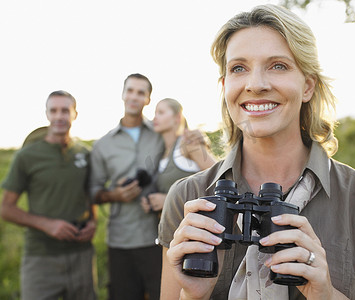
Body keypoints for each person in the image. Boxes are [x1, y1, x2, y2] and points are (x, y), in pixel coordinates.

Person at [158, 4, 355, 300]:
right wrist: (193, 295)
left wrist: (325, 294)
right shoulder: (188, 196)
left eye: (278, 65)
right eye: (238, 68)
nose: (255, 84)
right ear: (225, 86)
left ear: (308, 86)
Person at [1, 90, 97, 300]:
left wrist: (93, 222)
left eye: (65, 110)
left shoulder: (84, 153)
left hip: (81, 255)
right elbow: (6, 209)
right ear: (46, 114)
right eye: (53, 110)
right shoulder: (27, 156)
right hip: (41, 258)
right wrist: (47, 225)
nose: (59, 116)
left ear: (75, 114)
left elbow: (90, 194)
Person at [89, 73, 165, 300]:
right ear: (123, 94)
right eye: (130, 90)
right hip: (121, 240)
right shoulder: (103, 145)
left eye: (141, 92)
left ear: (148, 99)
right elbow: (92, 190)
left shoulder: (161, 135)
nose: (134, 96)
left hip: (159, 236)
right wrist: (114, 195)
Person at [141, 98, 216, 213]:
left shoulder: (189, 144)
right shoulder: (161, 153)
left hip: (194, 227)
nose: (155, 117)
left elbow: (220, 179)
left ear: (177, 118)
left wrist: (167, 200)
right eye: (155, 113)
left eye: (161, 112)